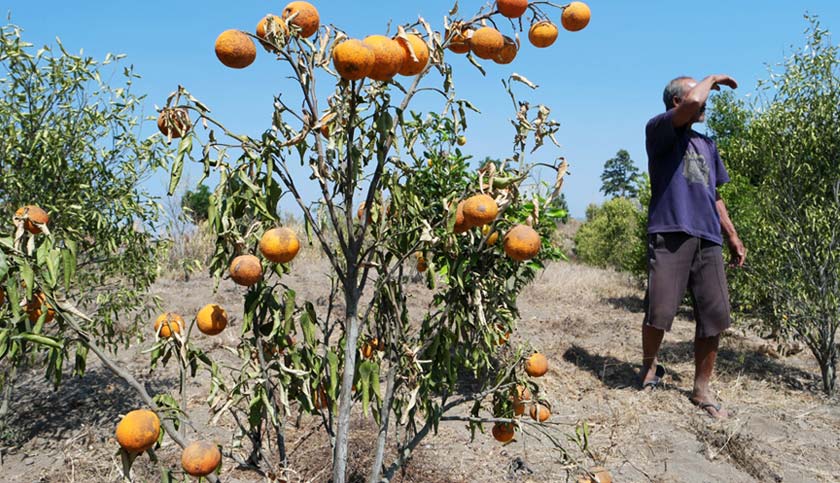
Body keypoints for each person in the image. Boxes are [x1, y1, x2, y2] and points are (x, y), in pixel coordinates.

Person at [640, 75, 746, 419]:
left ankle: (701, 390)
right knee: (659, 310)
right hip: (670, 231)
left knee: (714, 316)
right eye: (698, 96)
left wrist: (731, 235)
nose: (705, 102)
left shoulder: (707, 145)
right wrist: (712, 77)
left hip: (707, 238)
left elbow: (715, 195)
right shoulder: (659, 131)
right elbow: (692, 104)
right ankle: (649, 368)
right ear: (677, 103)